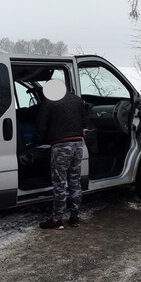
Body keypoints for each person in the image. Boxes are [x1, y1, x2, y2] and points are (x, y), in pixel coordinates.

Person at [36, 79, 88, 230]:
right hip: (78, 145)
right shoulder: (78, 101)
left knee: (59, 183)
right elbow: (85, 122)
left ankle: (56, 219)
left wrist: (46, 138)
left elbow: (40, 127)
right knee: (74, 181)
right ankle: (75, 217)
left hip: (61, 146)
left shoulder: (49, 102)